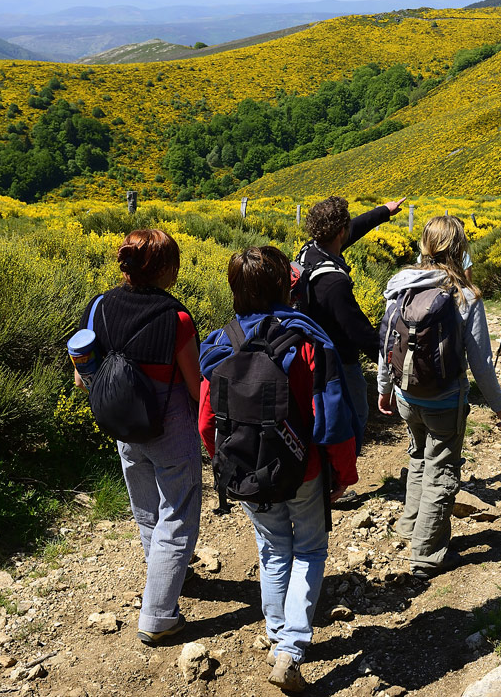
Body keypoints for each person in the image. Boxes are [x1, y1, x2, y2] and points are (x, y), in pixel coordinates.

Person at [198, 246, 358, 693]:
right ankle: (290, 647)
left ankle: (275, 633)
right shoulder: (308, 339)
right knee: (308, 549)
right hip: (302, 468)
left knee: (271, 549)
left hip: (247, 471)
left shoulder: (221, 342)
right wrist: (343, 472)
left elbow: (207, 420)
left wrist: (226, 459)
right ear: (285, 284)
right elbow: (331, 419)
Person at [75, 229, 202, 646]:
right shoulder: (177, 318)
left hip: (122, 424)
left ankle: (164, 579)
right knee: (178, 512)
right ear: (163, 268)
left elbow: (82, 376)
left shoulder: (98, 307)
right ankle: (158, 615)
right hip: (170, 425)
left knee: (146, 508)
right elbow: (193, 384)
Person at [376, 216, 501, 580]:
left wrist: (383, 389)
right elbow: (480, 359)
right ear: (459, 248)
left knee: (418, 456)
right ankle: (428, 554)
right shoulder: (464, 297)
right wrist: (499, 404)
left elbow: (388, 342)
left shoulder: (400, 286)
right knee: (442, 470)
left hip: (407, 394)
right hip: (445, 400)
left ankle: (410, 526)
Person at [295, 195, 406, 439]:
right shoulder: (334, 283)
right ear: (339, 233)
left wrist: (384, 211)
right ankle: (339, 471)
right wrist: (397, 368)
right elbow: (362, 335)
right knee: (355, 418)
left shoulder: (310, 250)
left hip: (308, 352)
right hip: (338, 361)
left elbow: (353, 228)